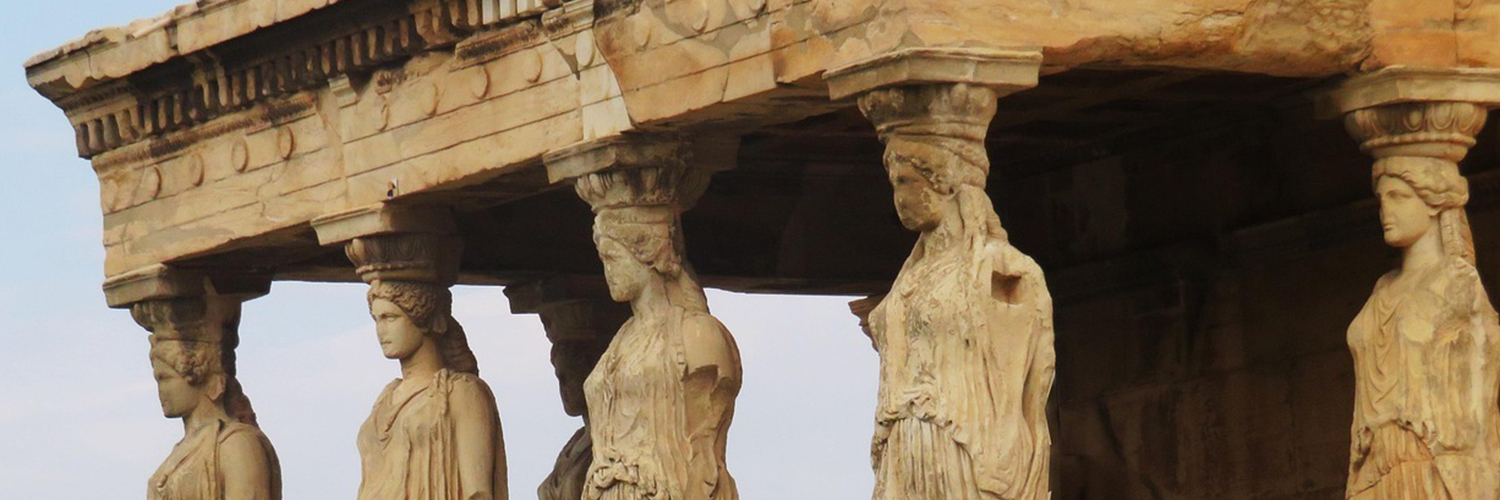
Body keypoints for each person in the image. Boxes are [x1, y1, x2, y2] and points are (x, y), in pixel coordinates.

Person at [859, 84, 1055, 500]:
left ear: (944, 184)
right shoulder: (908, 279)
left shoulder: (1002, 269)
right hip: (905, 440)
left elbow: (1029, 376)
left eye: (907, 182)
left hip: (965, 438)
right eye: (896, 185)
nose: (899, 199)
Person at [575, 167, 742, 500]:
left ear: (646, 253)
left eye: (612, 257)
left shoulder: (696, 334)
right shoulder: (621, 340)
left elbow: (703, 446)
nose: (607, 271)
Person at [1346, 157, 1500, 500]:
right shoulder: (1382, 289)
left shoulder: (1457, 282)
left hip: (1430, 464)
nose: (1385, 211)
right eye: (1381, 200)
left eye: (1399, 197)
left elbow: (1478, 390)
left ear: (1434, 204)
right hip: (1373, 467)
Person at [356, 279, 507, 500]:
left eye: (390, 318)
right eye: (376, 319)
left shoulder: (461, 393)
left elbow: (479, 493)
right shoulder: (386, 398)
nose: (380, 330)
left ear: (423, 319)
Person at [137, 298, 281, 500]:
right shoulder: (182, 450)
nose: (161, 390)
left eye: (165, 379)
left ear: (196, 374)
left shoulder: (237, 445)